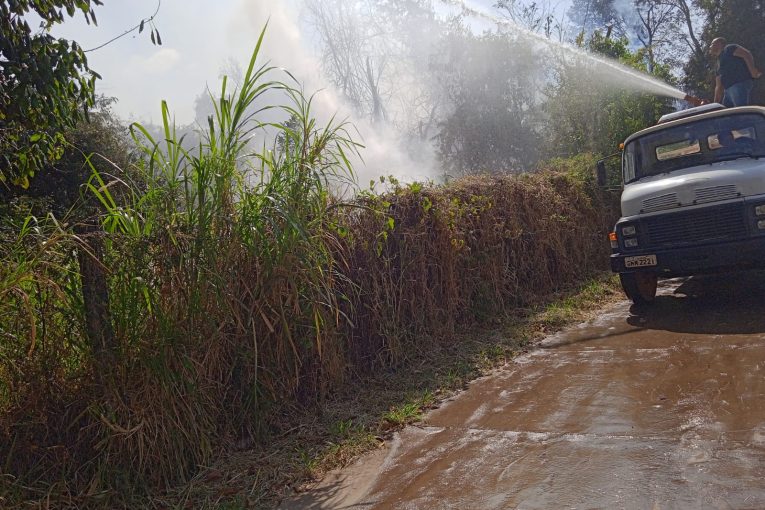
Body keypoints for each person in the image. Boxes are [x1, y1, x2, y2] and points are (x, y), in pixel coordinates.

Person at [709, 37, 762, 107]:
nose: (710, 46)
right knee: (728, 112)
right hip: (727, 92)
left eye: (712, 44)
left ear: (719, 44)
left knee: (741, 110)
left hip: (739, 84)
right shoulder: (717, 64)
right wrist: (715, 104)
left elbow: (746, 54)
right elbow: (718, 85)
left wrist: (752, 71)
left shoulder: (729, 49)